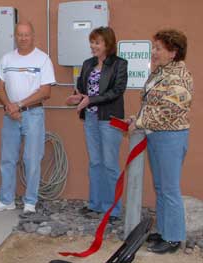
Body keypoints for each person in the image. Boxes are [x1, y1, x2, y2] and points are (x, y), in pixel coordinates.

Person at [129, 29, 193, 254]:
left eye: (158, 48)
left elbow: (171, 110)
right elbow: (152, 105)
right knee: (161, 187)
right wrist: (138, 119)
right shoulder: (160, 72)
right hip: (156, 135)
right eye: (153, 47)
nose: (153, 52)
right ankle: (165, 231)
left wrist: (139, 122)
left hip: (170, 138)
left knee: (169, 189)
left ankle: (174, 238)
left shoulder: (179, 76)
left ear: (173, 52)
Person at [0, 21, 55, 216]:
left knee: (32, 159)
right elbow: (0, 88)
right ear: (14, 36)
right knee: (7, 159)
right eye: (19, 34)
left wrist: (19, 105)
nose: (23, 38)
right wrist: (10, 107)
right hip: (10, 115)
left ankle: (30, 201)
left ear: (33, 36)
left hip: (33, 114)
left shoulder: (42, 59)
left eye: (26, 34)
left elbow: (46, 91)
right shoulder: (6, 59)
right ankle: (6, 200)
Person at [65, 26, 128, 221]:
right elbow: (84, 90)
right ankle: (95, 205)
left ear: (107, 44)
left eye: (97, 42)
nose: (93, 46)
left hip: (109, 119)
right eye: (92, 42)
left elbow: (116, 91)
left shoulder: (119, 64)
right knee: (95, 163)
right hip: (91, 119)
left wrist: (90, 100)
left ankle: (113, 209)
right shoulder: (87, 64)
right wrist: (78, 98)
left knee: (110, 164)